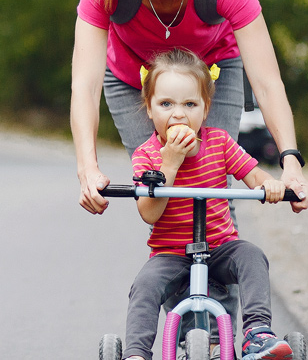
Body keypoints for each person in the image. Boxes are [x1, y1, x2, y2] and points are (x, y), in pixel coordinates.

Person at [70, 0, 308, 216]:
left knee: (212, 191)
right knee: (160, 188)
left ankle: (222, 263)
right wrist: (88, 169)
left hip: (213, 71)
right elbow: (85, 83)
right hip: (133, 79)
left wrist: (291, 162)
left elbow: (268, 83)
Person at [124, 49, 292, 360]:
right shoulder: (146, 155)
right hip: (170, 252)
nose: (178, 114)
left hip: (219, 246)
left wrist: (269, 184)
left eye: (190, 104)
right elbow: (149, 211)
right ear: (149, 109)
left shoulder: (220, 143)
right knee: (145, 284)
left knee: (252, 256)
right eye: (166, 104)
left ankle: (257, 333)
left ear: (206, 108)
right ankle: (136, 352)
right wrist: (169, 164)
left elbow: (252, 174)